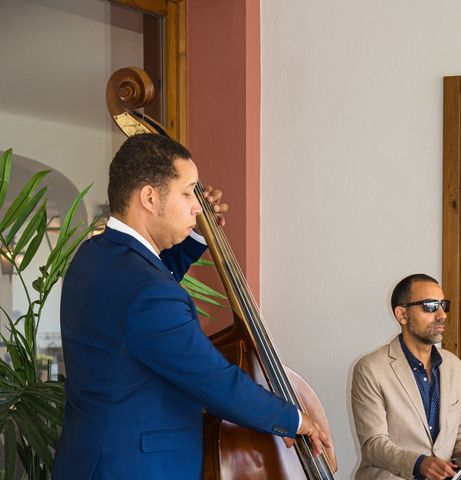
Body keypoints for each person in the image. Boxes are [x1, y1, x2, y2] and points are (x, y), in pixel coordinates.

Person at [52, 133, 331, 479]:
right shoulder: (147, 292)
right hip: (138, 469)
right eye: (187, 193)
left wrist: (198, 234)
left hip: (92, 460)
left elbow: (148, 285)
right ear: (150, 198)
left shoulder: (96, 256)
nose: (197, 205)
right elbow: (214, 381)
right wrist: (294, 418)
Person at [351, 273, 461, 480]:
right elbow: (373, 444)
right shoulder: (370, 369)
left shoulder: (455, 367)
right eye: (430, 306)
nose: (442, 314)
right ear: (402, 315)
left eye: (443, 305)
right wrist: (419, 464)